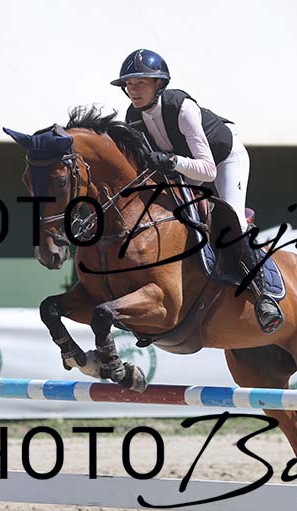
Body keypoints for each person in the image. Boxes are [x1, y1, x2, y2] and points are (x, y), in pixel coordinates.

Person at [111, 48, 284, 334]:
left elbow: (208, 171)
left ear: (159, 84)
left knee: (233, 221)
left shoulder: (182, 108)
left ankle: (263, 296)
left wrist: (171, 161)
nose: (133, 90)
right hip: (181, 168)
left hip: (223, 159)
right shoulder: (133, 117)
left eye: (140, 82)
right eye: (129, 84)